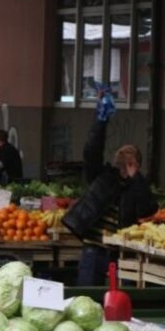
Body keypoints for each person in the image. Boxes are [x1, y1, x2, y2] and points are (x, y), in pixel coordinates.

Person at [63, 119, 158, 286]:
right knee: (87, 295)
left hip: (122, 252)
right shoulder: (103, 177)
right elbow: (92, 152)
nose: (123, 160)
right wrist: (100, 122)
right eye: (121, 155)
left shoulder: (138, 185)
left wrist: (135, 176)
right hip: (94, 247)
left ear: (137, 164)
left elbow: (147, 210)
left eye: (130, 158)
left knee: (124, 295)